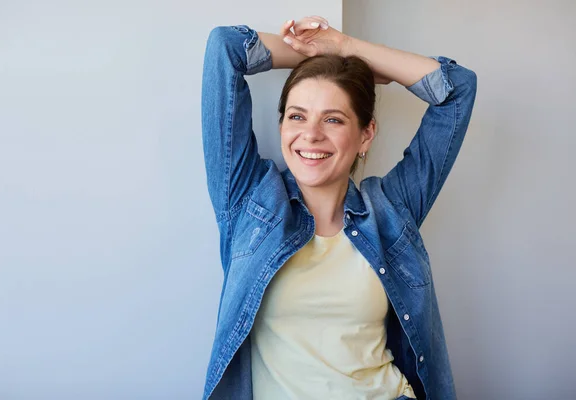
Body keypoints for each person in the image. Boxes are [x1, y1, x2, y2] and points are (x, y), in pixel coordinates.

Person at [200, 15, 477, 400]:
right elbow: (225, 48)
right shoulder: (248, 201)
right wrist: (319, 53)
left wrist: (348, 49)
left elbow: (458, 89)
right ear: (281, 126)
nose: (310, 135)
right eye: (297, 116)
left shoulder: (392, 210)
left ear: (366, 134)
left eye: (333, 119)